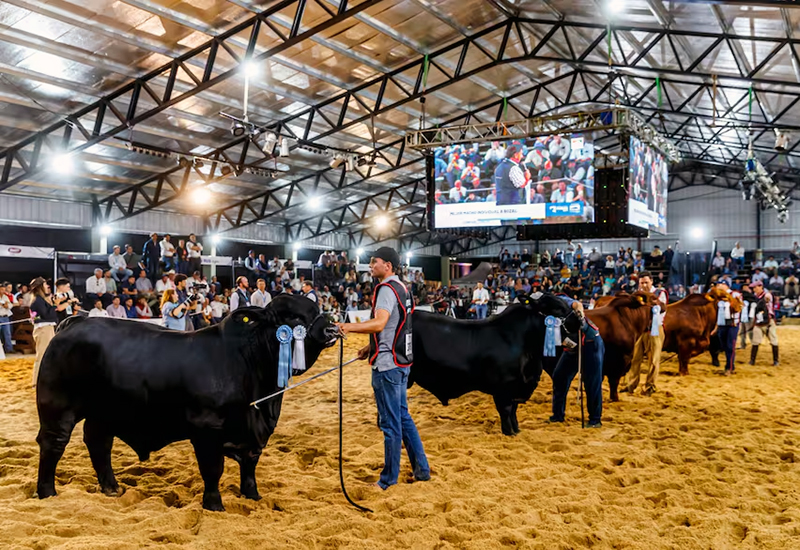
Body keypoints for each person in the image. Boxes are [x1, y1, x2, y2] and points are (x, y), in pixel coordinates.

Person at [335, 246, 430, 490]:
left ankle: (388, 480)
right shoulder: (402, 288)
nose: (370, 266)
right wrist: (371, 346)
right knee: (402, 417)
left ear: (387, 265)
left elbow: (380, 323)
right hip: (400, 361)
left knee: (390, 424)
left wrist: (348, 327)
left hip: (388, 365)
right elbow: (397, 326)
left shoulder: (386, 289)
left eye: (374, 262)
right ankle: (422, 470)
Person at [548, 296, 604, 428]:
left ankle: (595, 419)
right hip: (572, 346)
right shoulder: (542, 317)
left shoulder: (560, 300)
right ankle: (557, 415)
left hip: (590, 342)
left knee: (592, 381)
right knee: (559, 376)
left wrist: (580, 315)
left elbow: (577, 304)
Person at [621, 271, 667, 396]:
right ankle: (631, 384)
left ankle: (650, 386)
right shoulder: (637, 295)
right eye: (642, 283)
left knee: (653, 360)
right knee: (635, 358)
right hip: (640, 330)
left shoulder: (659, 293)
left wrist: (653, 301)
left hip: (655, 329)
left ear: (651, 281)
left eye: (646, 282)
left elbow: (663, 309)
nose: (644, 285)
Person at [28, 278, 63, 387]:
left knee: (47, 354)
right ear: (40, 287)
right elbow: (47, 315)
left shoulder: (39, 300)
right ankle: (36, 382)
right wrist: (54, 305)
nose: (47, 286)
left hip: (46, 328)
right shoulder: (38, 300)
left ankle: (44, 379)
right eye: (45, 284)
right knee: (42, 355)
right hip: (43, 329)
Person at [748, 280, 779, 366]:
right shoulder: (756, 298)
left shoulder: (767, 295)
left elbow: (768, 299)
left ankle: (776, 360)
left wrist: (766, 300)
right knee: (755, 341)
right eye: (753, 288)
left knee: (773, 340)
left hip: (768, 321)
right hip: (759, 321)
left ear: (761, 286)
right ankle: (752, 360)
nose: (754, 289)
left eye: (755, 287)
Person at [715, 281, 742, 376]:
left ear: (725, 285)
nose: (718, 286)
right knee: (724, 346)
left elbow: (738, 307)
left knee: (730, 346)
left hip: (732, 323)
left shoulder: (735, 294)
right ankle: (729, 365)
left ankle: (729, 367)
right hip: (722, 323)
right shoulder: (718, 297)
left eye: (720, 285)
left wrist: (730, 301)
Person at [0, 282, 17, 354]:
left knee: (7, 333)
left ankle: (9, 348)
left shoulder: (5, 297)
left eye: (4, 290)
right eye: (1, 289)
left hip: (5, 317)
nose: (3, 291)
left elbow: (10, 305)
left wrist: (7, 305)